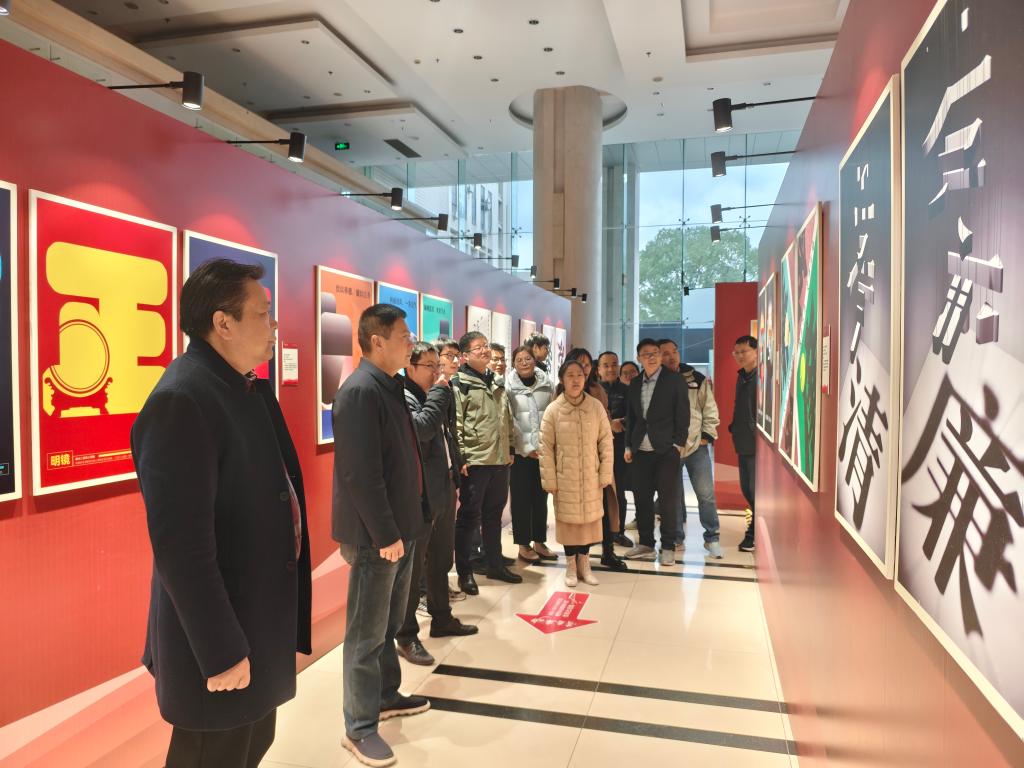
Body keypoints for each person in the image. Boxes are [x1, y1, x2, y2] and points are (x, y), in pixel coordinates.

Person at [131, 259, 311, 768]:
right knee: (213, 754)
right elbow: (181, 549)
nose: (274, 325)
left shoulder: (240, 386)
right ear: (223, 323)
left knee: (250, 746)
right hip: (223, 635)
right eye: (263, 313)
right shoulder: (183, 399)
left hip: (255, 618)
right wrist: (221, 650)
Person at [333, 304, 430, 767]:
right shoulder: (359, 392)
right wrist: (387, 533)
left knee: (389, 625)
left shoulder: (389, 387)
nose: (411, 343)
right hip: (379, 537)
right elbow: (360, 475)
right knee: (365, 635)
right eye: (404, 336)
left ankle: (386, 695)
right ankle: (359, 727)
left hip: (401, 529)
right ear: (377, 340)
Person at [395, 342, 478, 668]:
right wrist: (441, 394)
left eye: (437, 365)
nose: (436, 372)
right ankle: (406, 635)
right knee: (414, 569)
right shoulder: (406, 397)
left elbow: (447, 435)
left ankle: (442, 616)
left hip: (443, 486)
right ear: (410, 367)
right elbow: (422, 429)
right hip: (421, 494)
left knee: (442, 559)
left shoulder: (435, 395)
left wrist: (455, 472)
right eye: (429, 366)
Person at [452, 331, 519, 593]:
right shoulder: (460, 383)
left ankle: (495, 564)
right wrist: (461, 457)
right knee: (469, 517)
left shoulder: (497, 381)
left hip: (500, 460)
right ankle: (465, 572)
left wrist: (510, 447)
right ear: (465, 355)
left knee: (494, 515)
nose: (485, 350)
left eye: (486, 346)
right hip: (476, 461)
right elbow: (457, 423)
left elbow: (506, 418)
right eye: (478, 347)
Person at [540, 360, 615, 587]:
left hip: (591, 476)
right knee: (569, 524)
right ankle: (571, 566)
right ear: (562, 380)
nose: (575, 380)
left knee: (589, 523)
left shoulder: (595, 406)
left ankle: (585, 564)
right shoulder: (554, 409)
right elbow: (545, 447)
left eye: (579, 375)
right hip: (566, 478)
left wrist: (605, 473)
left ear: (585, 378)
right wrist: (550, 480)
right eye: (570, 375)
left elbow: (606, 442)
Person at [622, 338, 690, 566]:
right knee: (642, 499)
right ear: (639, 358)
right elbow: (632, 417)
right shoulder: (635, 383)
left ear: (660, 356)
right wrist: (628, 445)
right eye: (646, 354)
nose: (651, 357)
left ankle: (668, 545)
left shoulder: (675, 380)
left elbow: (683, 414)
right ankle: (646, 544)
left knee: (668, 501)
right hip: (640, 451)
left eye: (655, 353)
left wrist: (678, 445)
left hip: (666, 450)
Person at [658, 339, 724, 559]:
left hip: (696, 446)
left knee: (706, 495)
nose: (671, 356)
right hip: (669, 448)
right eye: (665, 353)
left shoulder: (696, 378)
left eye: (674, 351)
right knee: (673, 497)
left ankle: (712, 538)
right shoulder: (654, 380)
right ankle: (676, 538)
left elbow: (709, 408)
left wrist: (707, 435)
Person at [565, 347, 627, 571]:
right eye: (578, 363)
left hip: (598, 457)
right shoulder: (560, 390)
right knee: (576, 510)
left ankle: (608, 551)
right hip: (572, 460)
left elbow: (605, 424)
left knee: (605, 505)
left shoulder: (597, 389)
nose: (583, 368)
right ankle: (578, 556)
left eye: (586, 364)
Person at [505, 344, 556, 562]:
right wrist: (527, 448)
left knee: (540, 499)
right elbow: (510, 421)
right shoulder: (508, 388)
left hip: (543, 452)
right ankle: (523, 545)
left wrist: (545, 446)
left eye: (527, 358)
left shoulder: (547, 385)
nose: (524, 363)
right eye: (519, 360)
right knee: (521, 500)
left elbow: (552, 416)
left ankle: (539, 541)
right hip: (520, 454)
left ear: (535, 361)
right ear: (513, 364)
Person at [597, 351, 633, 548]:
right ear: (599, 369)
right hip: (596, 450)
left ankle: (618, 532)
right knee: (597, 493)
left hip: (619, 449)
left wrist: (621, 423)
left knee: (618, 493)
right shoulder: (592, 391)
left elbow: (636, 417)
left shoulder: (628, 391)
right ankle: (598, 532)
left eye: (614, 364)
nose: (610, 369)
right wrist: (608, 424)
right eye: (606, 365)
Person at [730, 335, 758, 553]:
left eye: (744, 351)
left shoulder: (762, 376)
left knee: (755, 490)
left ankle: (753, 534)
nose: (739, 356)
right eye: (736, 352)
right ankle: (754, 527)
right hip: (742, 441)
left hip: (757, 444)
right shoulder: (742, 377)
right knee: (746, 489)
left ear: (756, 352)